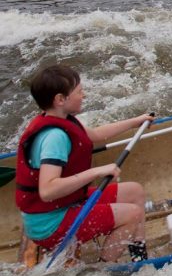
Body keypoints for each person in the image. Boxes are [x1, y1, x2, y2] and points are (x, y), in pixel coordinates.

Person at [14, 64, 153, 263]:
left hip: (63, 205)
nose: (84, 95)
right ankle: (105, 270)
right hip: (50, 224)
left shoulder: (61, 119)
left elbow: (96, 134)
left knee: (135, 191)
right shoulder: (55, 138)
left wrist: (135, 121)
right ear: (60, 99)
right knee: (133, 214)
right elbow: (47, 190)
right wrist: (96, 171)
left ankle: (139, 257)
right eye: (79, 92)